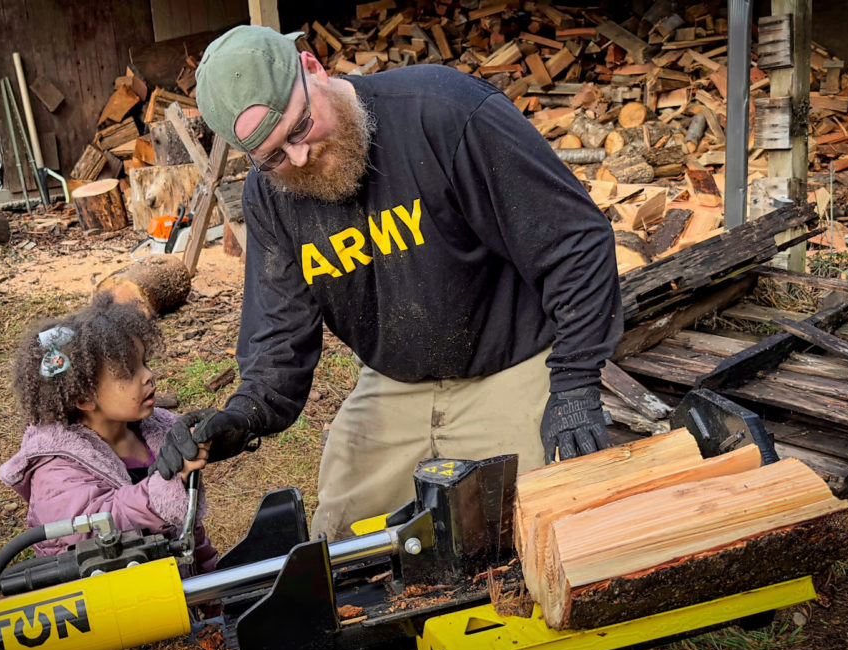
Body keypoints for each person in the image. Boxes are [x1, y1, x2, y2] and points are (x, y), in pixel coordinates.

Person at [152, 25, 623, 541]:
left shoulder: (443, 111)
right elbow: (278, 338)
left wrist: (575, 383)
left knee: (533, 531)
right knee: (337, 547)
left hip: (510, 364)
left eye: (301, 126)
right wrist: (241, 417)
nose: (300, 157)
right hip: (394, 383)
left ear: (313, 68)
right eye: (275, 157)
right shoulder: (271, 199)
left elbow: (574, 241)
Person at [0, 294, 217, 573]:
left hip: (170, 588)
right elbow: (102, 523)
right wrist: (166, 484)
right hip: (104, 604)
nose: (148, 376)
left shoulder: (155, 432)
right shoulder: (54, 470)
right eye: (128, 373)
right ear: (83, 400)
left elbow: (188, 527)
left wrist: (209, 584)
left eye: (144, 363)